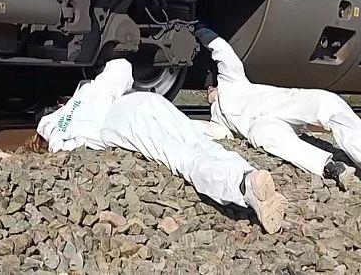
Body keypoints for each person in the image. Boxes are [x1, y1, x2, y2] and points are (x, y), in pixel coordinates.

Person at [33, 58, 288, 234]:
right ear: (59, 104)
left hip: (123, 124)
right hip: (145, 101)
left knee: (182, 159)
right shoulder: (85, 93)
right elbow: (121, 68)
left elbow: (66, 154)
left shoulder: (58, 134)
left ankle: (242, 185)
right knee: (198, 141)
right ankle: (251, 174)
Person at [193, 25, 361, 191]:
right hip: (260, 126)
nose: (208, 92)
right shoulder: (217, 121)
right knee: (269, 138)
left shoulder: (231, 80)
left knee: (326, 102)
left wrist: (198, 28)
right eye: (207, 91)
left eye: (210, 88)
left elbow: (223, 52)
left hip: (280, 104)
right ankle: (331, 168)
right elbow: (207, 131)